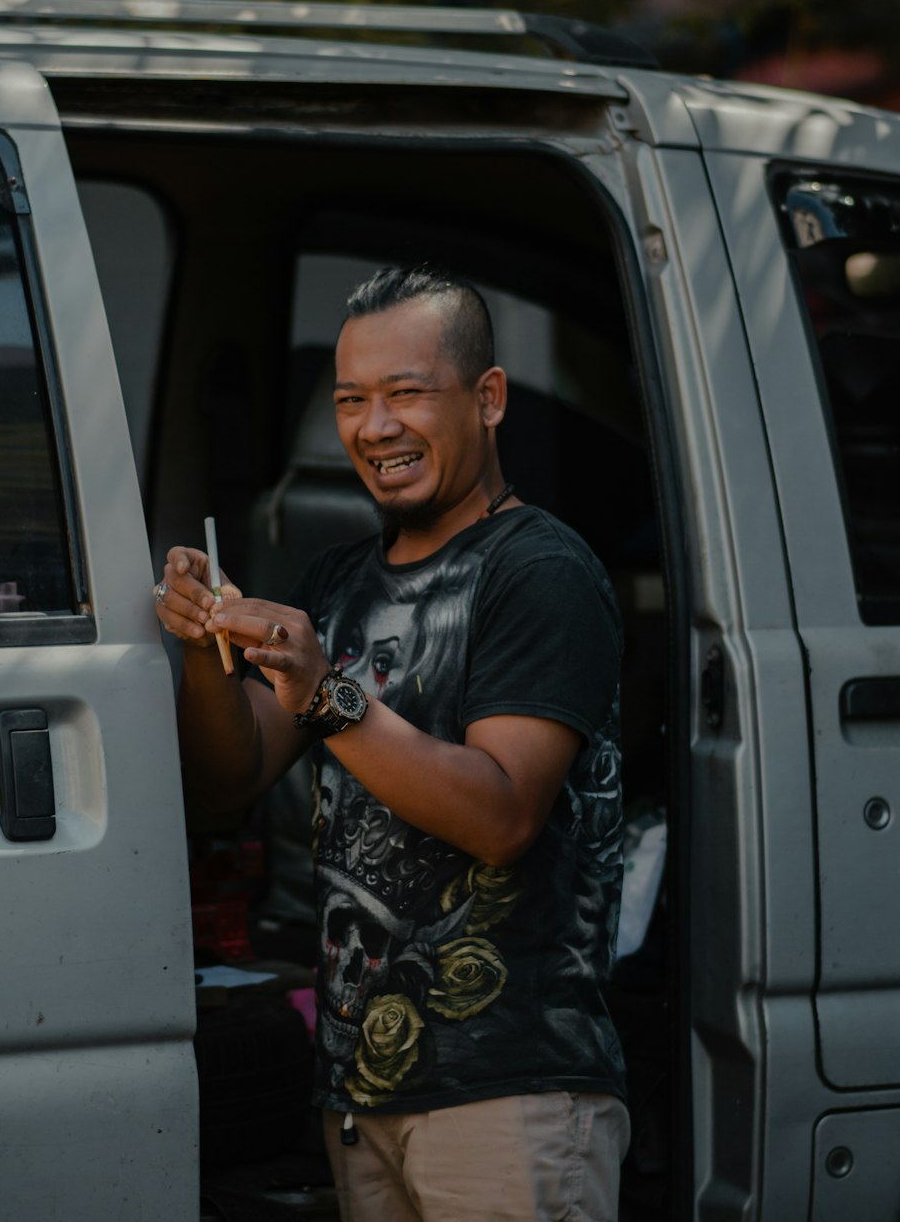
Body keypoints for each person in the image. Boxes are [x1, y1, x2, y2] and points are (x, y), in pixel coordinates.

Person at [154, 264, 629, 1222]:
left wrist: (327, 691)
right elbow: (229, 778)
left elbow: (501, 814)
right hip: (360, 1089)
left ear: (488, 398)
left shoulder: (539, 571)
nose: (376, 428)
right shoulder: (340, 580)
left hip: (507, 1090)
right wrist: (210, 649)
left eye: (408, 393)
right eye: (352, 400)